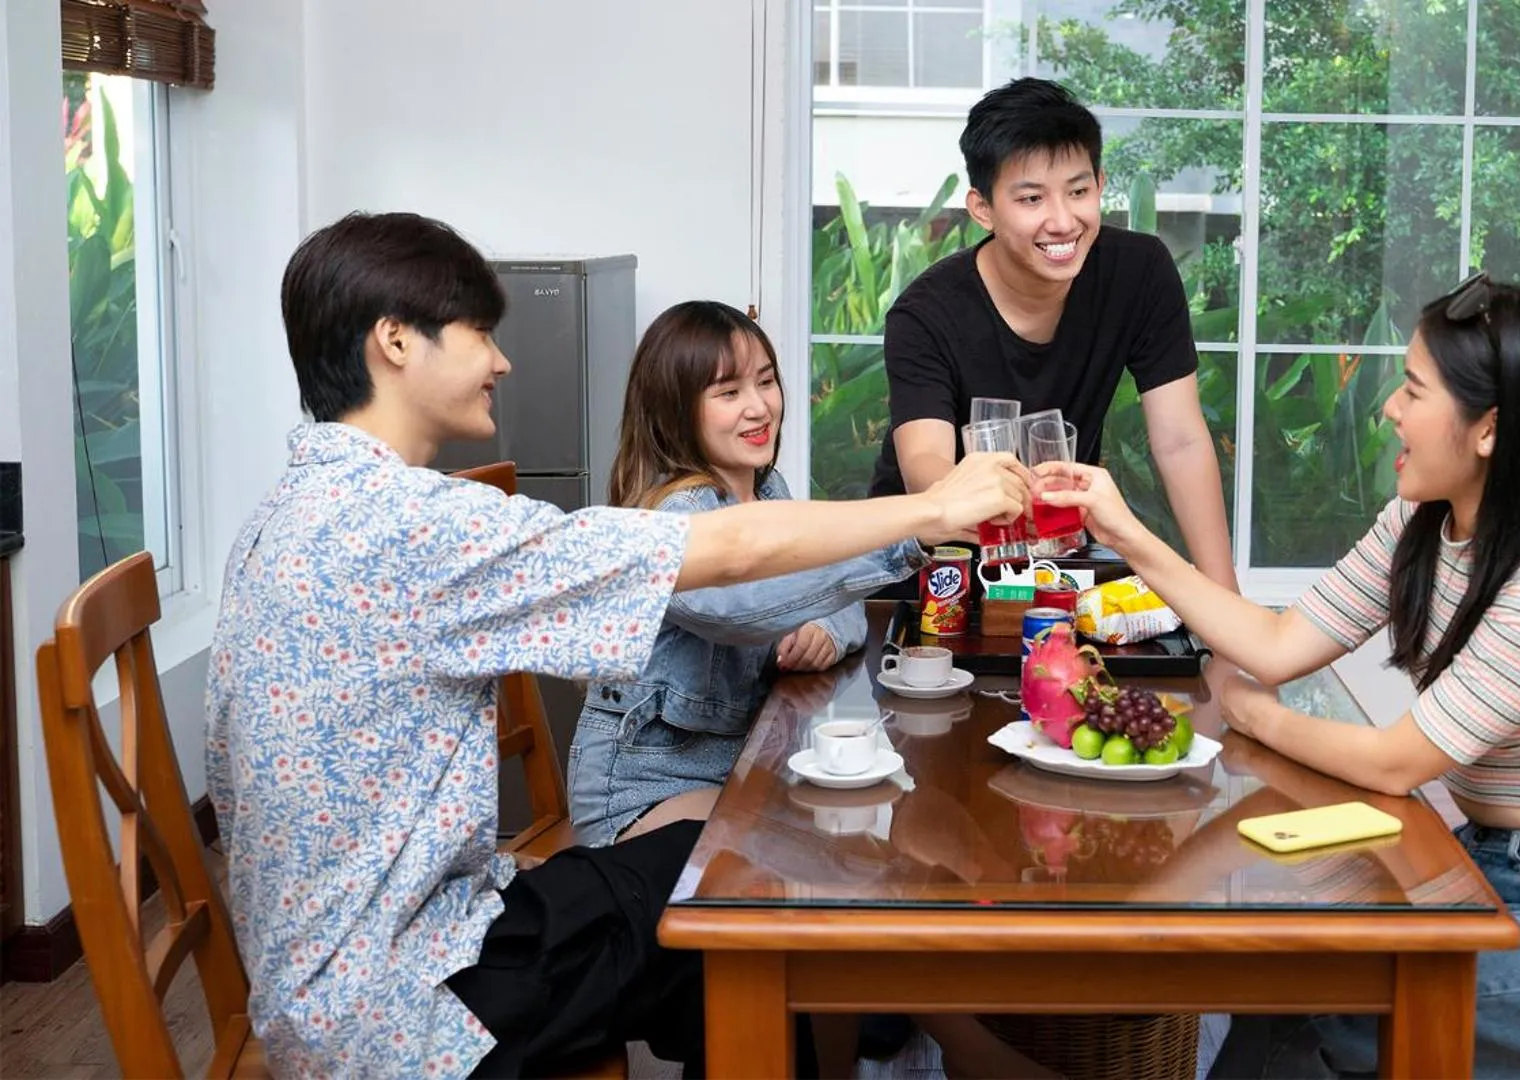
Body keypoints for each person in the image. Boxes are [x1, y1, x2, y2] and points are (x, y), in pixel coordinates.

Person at [203, 211, 1029, 1078]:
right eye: (480, 332)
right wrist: (933, 510)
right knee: (744, 886)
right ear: (397, 340)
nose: (501, 361)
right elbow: (728, 559)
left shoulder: (292, 513)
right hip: (406, 998)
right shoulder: (408, 525)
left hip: (359, 959)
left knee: (744, 865)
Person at [1036, 273, 1520, 1076]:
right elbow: (1279, 643)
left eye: (1414, 390)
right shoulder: (1424, 521)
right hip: (1489, 867)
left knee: (1329, 1004)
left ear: (1490, 429)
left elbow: (1396, 763)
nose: (1390, 407)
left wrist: (1253, 715)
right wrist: (1124, 531)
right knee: (1291, 980)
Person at [568, 300, 924, 847]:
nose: (759, 408)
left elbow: (833, 593)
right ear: (674, 410)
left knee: (857, 846)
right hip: (644, 793)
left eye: (766, 381)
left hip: (743, 766)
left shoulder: (767, 490)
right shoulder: (674, 515)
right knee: (839, 853)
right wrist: (917, 531)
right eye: (729, 393)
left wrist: (825, 629)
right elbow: (740, 609)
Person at [869, 76, 1238, 591]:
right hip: (929, 574)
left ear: (1100, 185)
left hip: (1053, 563)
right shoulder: (925, 313)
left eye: (1078, 191)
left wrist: (1226, 605)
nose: (1063, 221)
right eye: (1031, 198)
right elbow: (925, 464)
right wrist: (1006, 504)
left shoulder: (1139, 272)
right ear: (982, 208)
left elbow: (1181, 441)